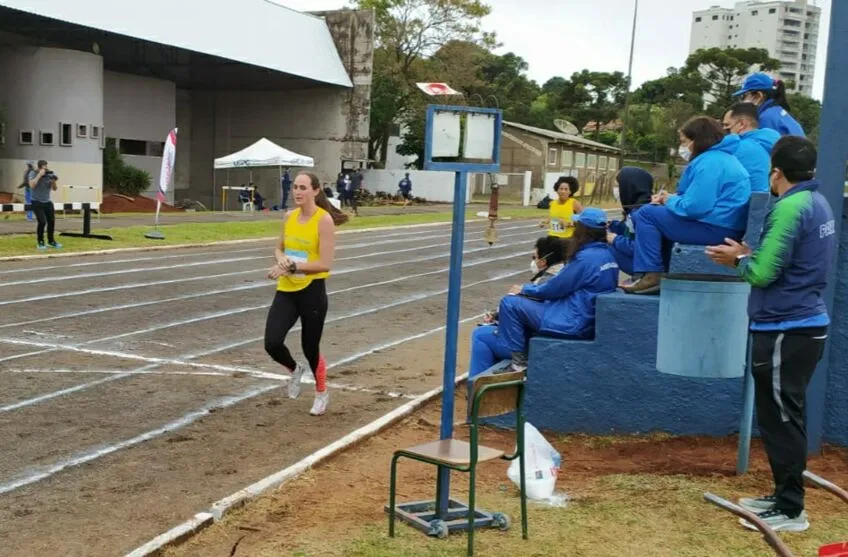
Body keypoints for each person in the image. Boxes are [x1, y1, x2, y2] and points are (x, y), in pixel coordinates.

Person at [706, 136, 835, 533]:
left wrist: (739, 258)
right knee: (784, 416)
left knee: (781, 419)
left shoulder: (790, 207)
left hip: (786, 328)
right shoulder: (818, 202)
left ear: (775, 172)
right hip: (799, 325)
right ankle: (782, 496)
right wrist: (750, 253)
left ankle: (791, 509)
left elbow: (763, 273)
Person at [623, 116, 751, 295]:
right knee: (653, 213)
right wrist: (672, 200)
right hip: (726, 224)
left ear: (697, 140)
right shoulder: (725, 158)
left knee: (646, 214)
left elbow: (695, 207)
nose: (683, 147)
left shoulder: (709, 162)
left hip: (715, 228)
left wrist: (668, 200)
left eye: (684, 141)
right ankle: (651, 272)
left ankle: (651, 274)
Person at [264, 172, 349, 416]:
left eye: (303, 187)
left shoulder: (324, 220)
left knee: (310, 346)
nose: (297, 192)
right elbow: (279, 248)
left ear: (315, 190)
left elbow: (325, 263)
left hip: (312, 292)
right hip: (287, 289)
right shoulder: (289, 216)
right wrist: (281, 262)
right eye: (295, 188)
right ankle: (293, 369)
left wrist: (293, 266)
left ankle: (321, 392)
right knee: (272, 342)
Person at [498, 208, 619, 371]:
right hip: (587, 318)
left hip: (571, 321)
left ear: (583, 231)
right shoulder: (608, 255)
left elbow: (554, 288)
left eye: (577, 226)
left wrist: (525, 289)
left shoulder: (585, 259)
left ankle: (518, 364)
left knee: (509, 303)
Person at [468, 236, 568, 378]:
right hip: (552, 333)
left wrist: (498, 317)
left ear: (543, 261)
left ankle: (478, 385)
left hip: (535, 342)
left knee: (480, 335)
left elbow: (527, 312)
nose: (533, 261)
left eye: (534, 257)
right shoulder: (565, 275)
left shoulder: (545, 283)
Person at [722, 103, 781, 193]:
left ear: (741, 124)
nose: (724, 130)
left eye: (727, 125)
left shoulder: (735, 148)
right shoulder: (774, 144)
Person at [607, 166, 654, 276]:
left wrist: (614, 239)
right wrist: (614, 225)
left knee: (602, 247)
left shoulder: (642, 214)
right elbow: (631, 232)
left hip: (644, 268)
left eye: (618, 186)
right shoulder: (637, 208)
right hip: (642, 265)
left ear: (629, 187)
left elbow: (642, 247)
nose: (616, 190)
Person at [732, 73, 805, 137]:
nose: (741, 102)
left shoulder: (765, 119)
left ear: (758, 96)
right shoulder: (778, 113)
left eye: (743, 96)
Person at [26, 160, 61, 250]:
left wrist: (53, 181)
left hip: (47, 202)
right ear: (39, 167)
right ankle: (40, 242)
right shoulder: (33, 173)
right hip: (36, 201)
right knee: (42, 222)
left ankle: (51, 241)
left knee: (51, 221)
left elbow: (55, 189)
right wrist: (39, 175)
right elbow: (32, 185)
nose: (45, 168)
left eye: (46, 166)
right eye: (43, 167)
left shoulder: (49, 174)